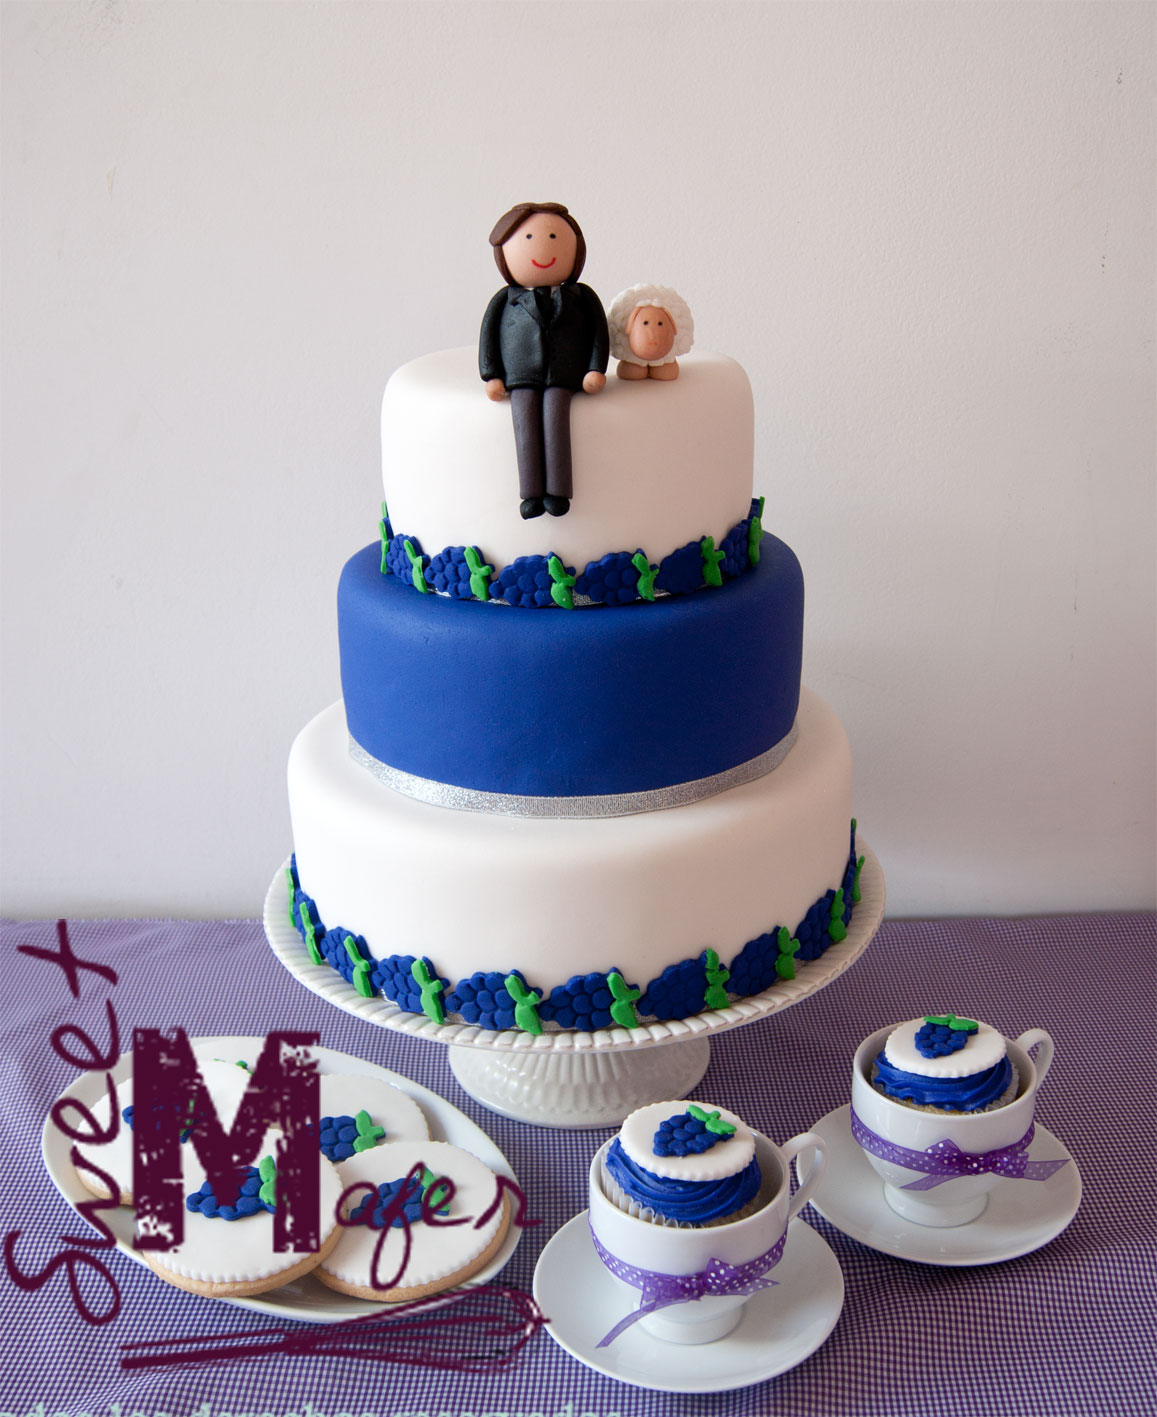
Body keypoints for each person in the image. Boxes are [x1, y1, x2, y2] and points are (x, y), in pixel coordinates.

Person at [479, 202, 609, 519]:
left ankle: (558, 492)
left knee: (555, 420)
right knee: (524, 425)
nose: (542, 249)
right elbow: (488, 338)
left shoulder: (581, 297)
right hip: (520, 375)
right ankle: (532, 494)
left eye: (553, 237)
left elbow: (599, 333)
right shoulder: (505, 299)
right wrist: (490, 374)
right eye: (528, 239)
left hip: (564, 374)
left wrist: (595, 368)